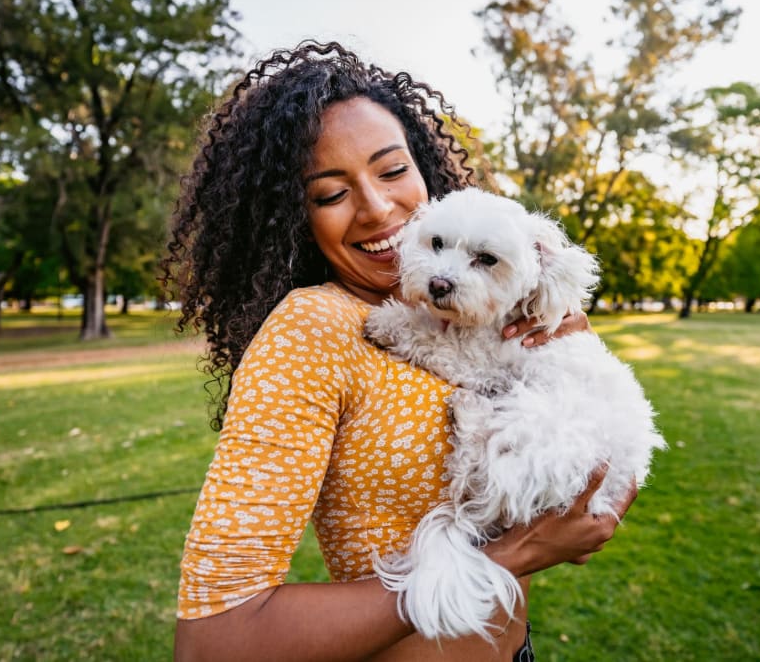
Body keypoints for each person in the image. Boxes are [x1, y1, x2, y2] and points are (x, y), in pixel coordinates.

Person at [164, 40, 637, 662]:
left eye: (392, 171)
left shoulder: (482, 313)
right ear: (290, 217)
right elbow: (215, 641)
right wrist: (516, 555)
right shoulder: (314, 328)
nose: (379, 208)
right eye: (330, 194)